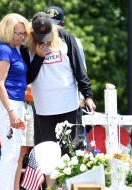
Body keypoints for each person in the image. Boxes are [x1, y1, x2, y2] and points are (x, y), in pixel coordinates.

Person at [20, 11, 96, 190]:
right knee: (46, 154)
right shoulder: (26, 46)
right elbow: (27, 78)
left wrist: (88, 95)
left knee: (70, 151)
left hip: (68, 105)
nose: (44, 40)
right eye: (40, 37)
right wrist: (38, 57)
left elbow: (79, 68)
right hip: (44, 108)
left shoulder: (65, 37)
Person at [0, 13, 29, 190]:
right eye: (19, 33)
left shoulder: (14, 49)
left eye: (24, 34)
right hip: (8, 103)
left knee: (13, 152)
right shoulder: (5, 50)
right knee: (10, 151)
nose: (22, 37)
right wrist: (11, 112)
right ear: (8, 30)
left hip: (15, 102)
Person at [45, 5, 87, 136]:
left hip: (68, 98)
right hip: (46, 100)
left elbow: (81, 67)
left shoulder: (72, 40)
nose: (54, 29)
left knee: (70, 140)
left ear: (63, 24)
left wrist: (81, 96)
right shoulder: (38, 41)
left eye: (56, 25)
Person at [13, 85, 35, 190]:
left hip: (29, 107)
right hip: (18, 106)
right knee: (15, 154)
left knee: (21, 153)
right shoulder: (21, 67)